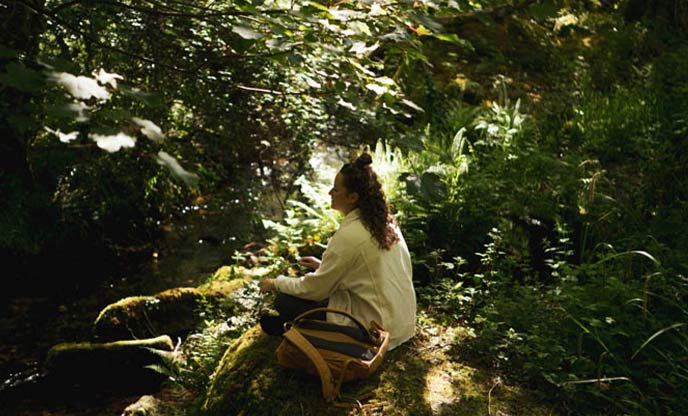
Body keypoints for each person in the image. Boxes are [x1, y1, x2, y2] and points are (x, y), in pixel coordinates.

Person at [259, 153, 416, 350]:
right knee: (312, 289)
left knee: (284, 301)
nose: (329, 193)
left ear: (352, 197)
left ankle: (296, 330)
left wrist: (276, 283)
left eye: (335, 189)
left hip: (376, 327)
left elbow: (315, 290)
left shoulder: (350, 235)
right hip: (402, 321)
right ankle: (294, 327)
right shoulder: (385, 221)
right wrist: (322, 266)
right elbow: (368, 270)